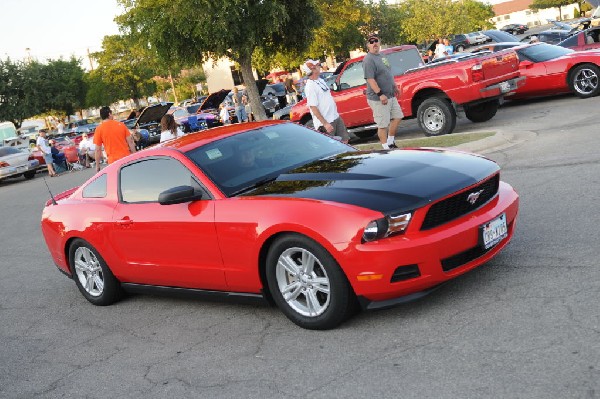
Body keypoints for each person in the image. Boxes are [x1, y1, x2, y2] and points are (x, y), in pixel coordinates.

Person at [363, 33, 403, 149]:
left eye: (376, 41)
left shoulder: (382, 56)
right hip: (378, 98)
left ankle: (390, 142)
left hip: (390, 94)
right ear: (368, 46)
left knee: (398, 116)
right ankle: (386, 149)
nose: (374, 43)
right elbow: (370, 79)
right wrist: (380, 94)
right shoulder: (368, 60)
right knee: (383, 124)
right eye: (371, 42)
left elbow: (388, 73)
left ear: (379, 42)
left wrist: (394, 86)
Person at [301, 59, 353, 144]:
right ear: (313, 69)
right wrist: (325, 124)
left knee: (345, 141)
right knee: (331, 145)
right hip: (326, 122)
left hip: (335, 117)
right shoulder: (310, 86)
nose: (319, 66)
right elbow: (313, 107)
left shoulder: (320, 80)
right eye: (317, 65)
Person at [93, 106, 136, 172]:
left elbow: (98, 150)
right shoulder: (121, 125)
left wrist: (97, 166)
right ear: (109, 114)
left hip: (113, 161)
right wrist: (135, 156)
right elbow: (130, 142)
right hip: (126, 157)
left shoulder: (99, 129)